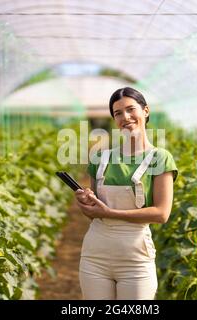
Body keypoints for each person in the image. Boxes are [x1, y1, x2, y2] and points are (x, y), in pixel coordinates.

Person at [75, 87, 178, 300]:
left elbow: (161, 214)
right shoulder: (100, 158)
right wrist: (86, 203)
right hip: (95, 255)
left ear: (146, 111)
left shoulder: (160, 158)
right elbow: (93, 213)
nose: (125, 117)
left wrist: (110, 213)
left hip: (135, 258)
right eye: (118, 113)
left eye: (131, 109)